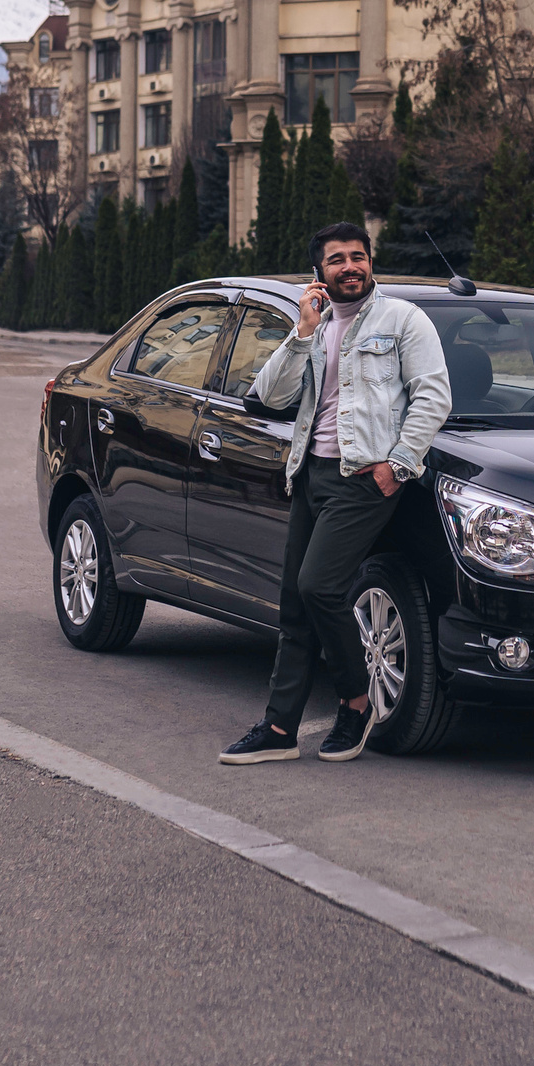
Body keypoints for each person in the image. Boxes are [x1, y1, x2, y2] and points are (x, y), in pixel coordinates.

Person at [219, 222, 450, 764]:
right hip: (309, 472)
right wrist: (302, 330)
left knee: (319, 586)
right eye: (337, 259)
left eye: (358, 256)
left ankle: (355, 701)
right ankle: (279, 730)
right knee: (295, 606)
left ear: (371, 262)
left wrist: (399, 465)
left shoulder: (403, 320)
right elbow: (267, 395)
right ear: (318, 272)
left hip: (362, 478)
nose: (350, 266)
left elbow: (433, 396)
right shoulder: (315, 328)